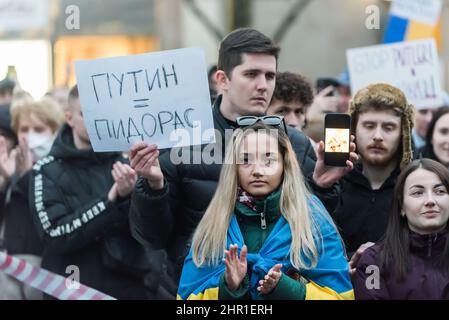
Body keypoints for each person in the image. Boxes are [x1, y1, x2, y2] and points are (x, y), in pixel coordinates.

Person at [129, 28, 357, 297]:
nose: (263, 85)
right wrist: (153, 187)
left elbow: (313, 239)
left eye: (270, 76)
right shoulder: (182, 141)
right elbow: (151, 238)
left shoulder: (296, 144)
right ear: (222, 79)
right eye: (251, 74)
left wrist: (321, 186)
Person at [177, 122, 353, 300]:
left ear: (285, 165)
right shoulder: (216, 221)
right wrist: (228, 287)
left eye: (269, 160)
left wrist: (286, 288)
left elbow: (342, 296)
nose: (257, 171)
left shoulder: (312, 218)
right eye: (245, 160)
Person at [28, 85, 151, 299]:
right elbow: (54, 235)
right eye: (86, 114)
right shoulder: (45, 170)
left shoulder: (127, 166)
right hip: (70, 287)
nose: (95, 122)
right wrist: (111, 201)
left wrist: (146, 188)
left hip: (125, 286)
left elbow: (150, 233)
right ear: (69, 118)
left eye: (100, 115)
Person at [330, 83, 415, 268]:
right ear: (354, 130)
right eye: (369, 126)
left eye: (389, 127)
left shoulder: (416, 187)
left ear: (403, 134)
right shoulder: (334, 183)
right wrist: (319, 187)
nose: (377, 136)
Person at [353, 159, 449, 300]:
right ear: (401, 206)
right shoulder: (374, 261)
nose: (430, 200)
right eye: (417, 193)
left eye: (439, 191)